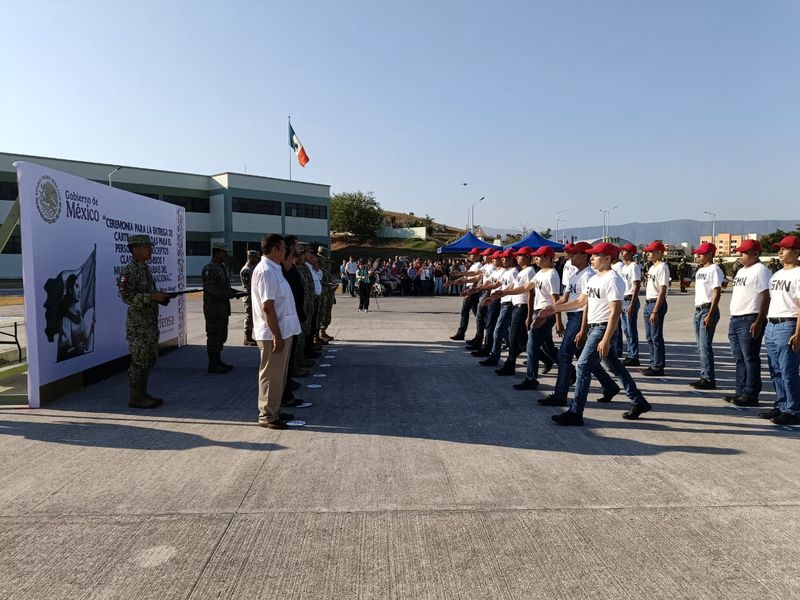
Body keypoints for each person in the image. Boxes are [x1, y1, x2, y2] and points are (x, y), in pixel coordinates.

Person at [540, 242, 651, 426]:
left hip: (602, 328)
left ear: (608, 258)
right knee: (615, 367)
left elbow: (615, 312)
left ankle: (576, 412)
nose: (592, 257)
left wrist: (606, 339)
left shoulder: (613, 280)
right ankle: (639, 401)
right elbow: (581, 301)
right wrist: (554, 309)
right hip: (593, 327)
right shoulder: (594, 278)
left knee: (583, 365)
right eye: (591, 255)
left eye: (596, 255)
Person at [538, 242, 621, 407]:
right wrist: (554, 309)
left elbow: (586, 305)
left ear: (584, 256)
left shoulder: (589, 275)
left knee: (564, 355)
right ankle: (609, 385)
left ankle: (561, 394)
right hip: (574, 315)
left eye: (574, 254)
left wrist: (583, 329)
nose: (570, 256)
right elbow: (570, 299)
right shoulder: (575, 274)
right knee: (584, 357)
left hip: (581, 318)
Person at [252, 233, 302, 429]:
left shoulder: (275, 269)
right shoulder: (266, 271)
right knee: (271, 375)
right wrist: (276, 336)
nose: (286, 251)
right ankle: (267, 415)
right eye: (283, 248)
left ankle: (275, 410)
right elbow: (268, 307)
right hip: (273, 333)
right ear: (273, 250)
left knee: (278, 375)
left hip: (283, 330)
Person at [117, 234, 169, 409]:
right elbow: (126, 297)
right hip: (138, 325)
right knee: (139, 361)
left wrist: (160, 298)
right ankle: (135, 397)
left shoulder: (144, 269)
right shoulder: (129, 271)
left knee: (148, 358)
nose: (150, 250)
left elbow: (147, 295)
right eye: (147, 247)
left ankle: (143, 392)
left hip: (149, 323)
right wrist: (152, 296)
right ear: (135, 249)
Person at [761, 235, 800, 426]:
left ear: (796, 252)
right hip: (772, 324)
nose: (780, 252)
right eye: (779, 249)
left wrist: (798, 333)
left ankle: (792, 408)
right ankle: (781, 403)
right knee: (775, 369)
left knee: (788, 370)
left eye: (784, 249)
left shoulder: (798, 274)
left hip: (788, 324)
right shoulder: (776, 275)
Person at [727, 239, 770, 407]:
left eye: (743, 253)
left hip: (749, 318)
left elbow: (766, 296)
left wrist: (759, 320)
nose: (740, 255)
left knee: (750, 358)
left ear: (755, 254)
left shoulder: (761, 271)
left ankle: (751, 393)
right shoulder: (742, 270)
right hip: (736, 318)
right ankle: (740, 390)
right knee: (739, 358)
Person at [492, 247, 535, 375]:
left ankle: (510, 365)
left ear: (527, 257)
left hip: (522, 307)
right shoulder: (522, 271)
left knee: (513, 337)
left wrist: (529, 315)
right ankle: (544, 358)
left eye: (520, 255)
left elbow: (530, 293)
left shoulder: (529, 271)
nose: (517, 258)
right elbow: (514, 287)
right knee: (521, 339)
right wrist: (501, 293)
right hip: (516, 306)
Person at [690, 242, 725, 390]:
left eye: (701, 253)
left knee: (705, 346)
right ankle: (704, 375)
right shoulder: (700, 270)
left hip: (707, 310)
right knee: (700, 346)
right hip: (698, 310)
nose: (698, 256)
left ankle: (709, 379)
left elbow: (716, 292)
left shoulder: (715, 269)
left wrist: (710, 313)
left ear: (710, 254)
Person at [202, 242, 239, 374]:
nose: (226, 255)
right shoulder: (209, 268)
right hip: (213, 310)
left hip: (222, 309)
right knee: (213, 336)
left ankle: (218, 360)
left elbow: (224, 287)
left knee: (221, 336)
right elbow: (210, 288)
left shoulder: (221, 268)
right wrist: (227, 294)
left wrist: (235, 292)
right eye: (224, 252)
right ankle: (213, 364)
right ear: (217, 253)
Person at [480, 251, 519, 366]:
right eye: (501, 259)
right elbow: (497, 285)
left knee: (497, 331)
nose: (502, 260)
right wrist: (482, 291)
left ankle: (494, 356)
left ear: (511, 259)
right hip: (503, 302)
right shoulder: (507, 272)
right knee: (516, 336)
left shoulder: (514, 272)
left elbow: (514, 289)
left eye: (505, 258)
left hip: (509, 304)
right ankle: (545, 358)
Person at [642, 241, 669, 376]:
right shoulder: (652, 267)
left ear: (659, 253)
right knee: (649, 336)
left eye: (651, 252)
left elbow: (662, 290)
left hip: (656, 304)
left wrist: (655, 310)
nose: (648, 254)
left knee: (656, 336)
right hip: (648, 303)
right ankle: (653, 362)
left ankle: (658, 366)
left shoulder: (662, 267)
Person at [449, 248, 483, 340]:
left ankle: (462, 333)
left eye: (472, 254)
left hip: (473, 290)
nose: (470, 256)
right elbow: (466, 276)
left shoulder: (479, 265)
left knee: (466, 312)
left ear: (478, 255)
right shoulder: (473, 265)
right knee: (477, 314)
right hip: (469, 288)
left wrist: (470, 291)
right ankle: (479, 333)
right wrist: (454, 281)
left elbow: (477, 279)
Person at [619, 243, 641, 366]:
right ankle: (630, 353)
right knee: (626, 329)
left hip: (630, 299)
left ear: (631, 253)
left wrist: (632, 303)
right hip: (623, 299)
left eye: (625, 251)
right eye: (622, 251)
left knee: (631, 329)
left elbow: (636, 285)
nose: (622, 253)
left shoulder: (634, 267)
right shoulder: (624, 267)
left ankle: (634, 356)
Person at [240, 250, 260, 346]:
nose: (257, 260)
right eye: (256, 258)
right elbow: (249, 285)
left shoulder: (253, 269)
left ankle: (250, 337)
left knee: (252, 317)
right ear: (251, 258)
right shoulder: (246, 270)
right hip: (249, 297)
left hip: (254, 296)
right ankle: (247, 338)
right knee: (249, 317)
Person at [317, 246, 337, 342]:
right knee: (323, 315)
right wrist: (329, 287)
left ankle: (322, 332)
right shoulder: (320, 269)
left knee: (326, 315)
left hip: (328, 294)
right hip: (324, 295)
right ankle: (320, 334)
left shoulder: (325, 269)